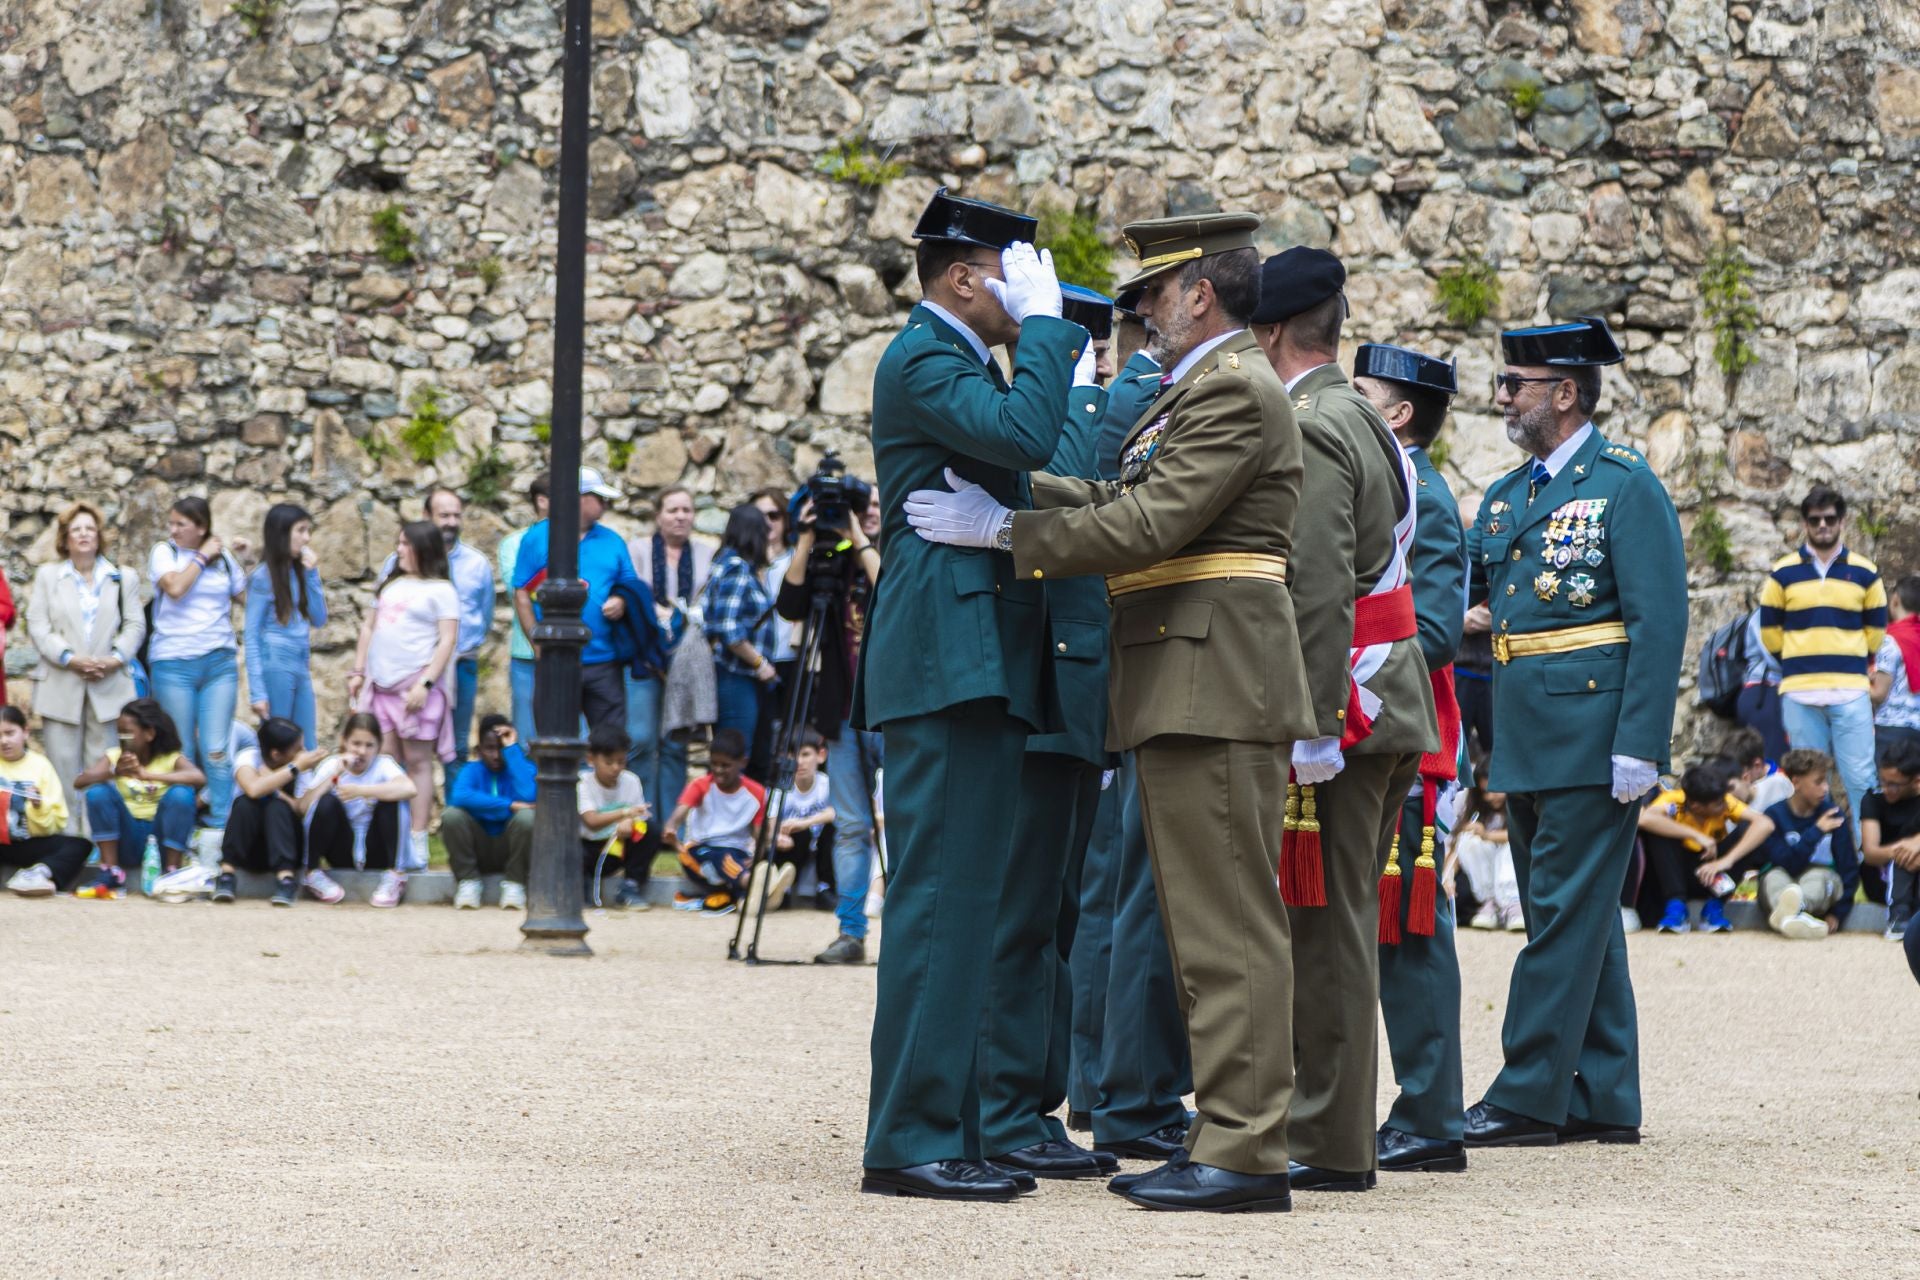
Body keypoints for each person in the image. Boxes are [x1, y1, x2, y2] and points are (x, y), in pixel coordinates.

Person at [908, 210, 1317, 1212]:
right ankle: (1225, 1130)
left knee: (1228, 925)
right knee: (1201, 922)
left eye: (1150, 298)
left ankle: (1245, 1145)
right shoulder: (1199, 391)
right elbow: (1110, 491)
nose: (1138, 318)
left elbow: (1150, 521)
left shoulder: (1230, 392)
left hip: (1215, 675)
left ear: (1199, 295)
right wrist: (1009, 488)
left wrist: (1004, 526)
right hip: (1189, 673)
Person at [858, 188, 1086, 1205]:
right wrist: (1049, 326)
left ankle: (943, 1122)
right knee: (940, 900)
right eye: (1015, 270)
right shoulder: (924, 357)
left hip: (976, 651)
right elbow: (1033, 433)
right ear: (964, 277)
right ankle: (909, 1136)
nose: (1029, 290)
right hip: (947, 655)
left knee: (970, 900)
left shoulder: (960, 356)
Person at [1459, 315, 1687, 1151]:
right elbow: (1498, 606)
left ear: (1565, 392)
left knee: (1555, 914)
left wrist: (1641, 743)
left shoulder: (1624, 484)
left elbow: (1659, 621)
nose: (1502, 395)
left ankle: (1526, 1095)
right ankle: (1603, 1094)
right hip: (1524, 730)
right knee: (1578, 916)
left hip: (1594, 733)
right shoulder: (1509, 493)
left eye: (1515, 383)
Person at [1247, 248, 1436, 1193]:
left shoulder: (1316, 422)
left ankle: (1325, 1138)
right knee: (1337, 921)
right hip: (1383, 686)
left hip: (1349, 700)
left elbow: (1318, 585)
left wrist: (1314, 718)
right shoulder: (1360, 413)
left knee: (1323, 929)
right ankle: (1329, 1129)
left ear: (1272, 332)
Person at [978, 282, 1124, 1183]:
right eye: (1089, 348)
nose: (1102, 363)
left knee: (1060, 916)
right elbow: (1058, 493)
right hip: (1046, 692)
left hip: (1082, 696)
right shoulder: (1045, 415)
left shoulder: (1097, 411)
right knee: (1025, 913)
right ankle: (1004, 1104)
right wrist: (1066, 386)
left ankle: (1035, 1098)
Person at [1067, 298, 1194, 1171]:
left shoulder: (1123, 399)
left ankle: (1096, 1077)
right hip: (1134, 664)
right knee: (1132, 899)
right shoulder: (1139, 401)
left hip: (1110, 666)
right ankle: (1128, 1086)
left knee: (1107, 894)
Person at [1351, 339, 1470, 1177]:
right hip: (1364, 729)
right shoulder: (1379, 481)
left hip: (1398, 736)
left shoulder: (1422, 493)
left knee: (1410, 934)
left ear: (1397, 414)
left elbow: (1431, 632)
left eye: (1361, 391)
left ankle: (1431, 1115)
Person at [774, 482, 882, 965]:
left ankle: (907, 934)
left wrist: (858, 537)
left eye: (876, 505)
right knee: (853, 827)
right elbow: (790, 606)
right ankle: (851, 932)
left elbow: (891, 592)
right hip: (843, 713)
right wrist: (806, 536)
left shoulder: (904, 546)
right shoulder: (831, 559)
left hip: (895, 712)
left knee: (903, 827)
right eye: (864, 507)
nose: (868, 513)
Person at [1759, 485, 1886, 837]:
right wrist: (1799, 663)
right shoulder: (1782, 574)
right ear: (1805, 524)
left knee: (1860, 777)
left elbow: (1876, 630)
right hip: (1800, 693)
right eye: (1815, 520)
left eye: (1830, 519)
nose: (1823, 526)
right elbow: (1769, 631)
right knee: (1807, 784)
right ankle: (1818, 858)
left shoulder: (1865, 572)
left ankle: (1868, 861)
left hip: (1851, 691)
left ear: (1842, 521)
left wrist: (1849, 661)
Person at [26, 501, 145, 834]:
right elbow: (38, 624)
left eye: (89, 529)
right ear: (65, 537)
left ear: (99, 536)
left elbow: (135, 624)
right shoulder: (49, 576)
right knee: (62, 768)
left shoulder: (123, 577)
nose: (83, 535)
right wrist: (69, 657)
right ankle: (67, 841)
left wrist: (115, 658)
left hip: (108, 685)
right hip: (62, 682)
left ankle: (98, 843)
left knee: (103, 766)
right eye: (76, 529)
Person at [350, 522, 458, 877]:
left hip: (414, 687)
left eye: (404, 544)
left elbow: (446, 640)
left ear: (422, 549)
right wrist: (358, 671)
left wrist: (425, 684)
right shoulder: (391, 584)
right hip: (381, 686)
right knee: (385, 762)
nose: (398, 550)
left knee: (418, 763)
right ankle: (380, 839)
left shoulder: (442, 590)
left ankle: (417, 837)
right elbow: (369, 627)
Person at [513, 467, 645, 733]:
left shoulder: (612, 540)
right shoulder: (537, 537)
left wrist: (621, 599)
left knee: (609, 741)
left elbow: (630, 585)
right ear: (580, 498)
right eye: (600, 497)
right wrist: (537, 643)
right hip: (556, 660)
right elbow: (522, 593)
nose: (606, 504)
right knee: (554, 740)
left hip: (604, 661)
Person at [148, 495, 247, 833]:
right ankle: (182, 830)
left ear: (201, 527)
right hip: (173, 663)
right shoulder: (165, 553)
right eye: (171, 523)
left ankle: (221, 827)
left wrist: (244, 559)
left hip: (218, 661)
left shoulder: (225, 560)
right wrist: (203, 555)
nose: (172, 530)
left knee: (217, 747)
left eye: (181, 524)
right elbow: (175, 587)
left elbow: (249, 599)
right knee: (183, 750)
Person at [380, 488, 493, 775]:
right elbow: (381, 615)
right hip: (407, 669)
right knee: (401, 748)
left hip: (460, 663)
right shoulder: (396, 563)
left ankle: (453, 817)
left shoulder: (477, 564)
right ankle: (402, 817)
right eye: (444, 515)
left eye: (457, 515)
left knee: (456, 747)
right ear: (426, 516)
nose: (452, 522)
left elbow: (485, 613)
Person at [628, 484, 714, 859]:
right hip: (647, 656)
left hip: (689, 660)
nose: (680, 516)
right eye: (672, 509)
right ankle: (641, 822)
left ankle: (668, 827)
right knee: (643, 739)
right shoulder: (639, 551)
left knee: (676, 742)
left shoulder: (707, 553)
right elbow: (634, 594)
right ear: (658, 515)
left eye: (686, 510)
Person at [73, 698, 205, 898]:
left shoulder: (170, 758)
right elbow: (80, 782)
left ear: (149, 733)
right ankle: (111, 871)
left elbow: (198, 778)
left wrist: (148, 775)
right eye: (119, 732)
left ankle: (172, 871)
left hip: (159, 837)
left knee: (182, 794)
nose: (122, 737)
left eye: (128, 732)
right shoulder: (114, 755)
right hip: (128, 837)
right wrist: (114, 772)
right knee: (98, 792)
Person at [1637, 762, 1776, 934]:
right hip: (1676, 875)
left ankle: (1714, 908)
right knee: (1659, 831)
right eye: (1718, 804)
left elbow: (1765, 824)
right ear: (1696, 806)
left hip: (1712, 874)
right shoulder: (1675, 800)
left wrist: (1725, 861)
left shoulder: (1725, 800)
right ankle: (1676, 908)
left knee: (1749, 830)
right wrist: (1696, 835)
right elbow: (1644, 819)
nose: (1724, 807)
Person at [211, 716, 335, 907]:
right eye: (297, 749)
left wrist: (277, 790)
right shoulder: (249, 757)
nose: (303, 753)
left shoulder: (302, 767)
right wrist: (293, 769)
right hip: (250, 849)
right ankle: (227, 875)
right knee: (245, 803)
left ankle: (285, 880)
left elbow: (300, 808)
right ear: (276, 754)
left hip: (286, 849)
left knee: (277, 806)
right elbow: (253, 789)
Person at [298, 712, 418, 906]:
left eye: (369, 745)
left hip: (376, 849)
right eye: (356, 744)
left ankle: (395, 875)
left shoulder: (384, 765)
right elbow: (304, 807)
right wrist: (333, 777)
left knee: (393, 798)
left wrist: (362, 791)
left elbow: (410, 788)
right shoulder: (331, 765)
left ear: (378, 746)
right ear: (344, 742)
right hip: (342, 849)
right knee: (326, 801)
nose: (361, 751)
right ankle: (311, 873)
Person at [661, 727, 769, 917]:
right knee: (719, 857)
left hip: (737, 853)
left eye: (725, 765)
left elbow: (760, 834)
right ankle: (749, 884)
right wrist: (671, 828)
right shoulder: (700, 785)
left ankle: (739, 896)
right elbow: (680, 812)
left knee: (729, 857)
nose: (718, 771)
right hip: (701, 850)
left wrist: (757, 858)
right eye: (714, 764)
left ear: (742, 762)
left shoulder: (757, 793)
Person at [244, 504, 328, 748]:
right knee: (280, 742)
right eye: (301, 530)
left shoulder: (302, 571)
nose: (307, 538)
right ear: (282, 533)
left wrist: (312, 576)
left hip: (300, 661)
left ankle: (305, 787)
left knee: (307, 741)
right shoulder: (263, 576)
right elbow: (251, 634)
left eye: (308, 531)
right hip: (276, 662)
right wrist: (257, 692)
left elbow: (319, 618)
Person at [1758, 747, 1859, 940]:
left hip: (1818, 882)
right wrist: (1816, 832)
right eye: (1818, 782)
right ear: (1796, 782)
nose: (1825, 789)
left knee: (1819, 877)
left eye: (1825, 781)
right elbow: (1786, 863)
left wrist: (1838, 913)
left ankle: (1791, 912)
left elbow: (1849, 869)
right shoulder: (1774, 815)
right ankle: (1795, 918)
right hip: (1785, 877)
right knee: (1773, 877)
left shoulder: (1833, 815)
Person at [702, 504, 778, 761]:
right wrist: (759, 663)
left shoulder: (735, 565)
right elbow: (728, 627)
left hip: (741, 675)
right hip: (735, 673)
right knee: (735, 755)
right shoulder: (736, 567)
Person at [445, 715, 537, 911]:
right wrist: (509, 805)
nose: (496, 755)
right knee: (452, 816)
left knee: (527, 818)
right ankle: (468, 882)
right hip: (480, 847)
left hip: (511, 847)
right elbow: (460, 796)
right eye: (489, 748)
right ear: (479, 751)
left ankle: (515, 884)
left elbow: (529, 795)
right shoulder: (471, 770)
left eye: (500, 748)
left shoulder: (521, 767)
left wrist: (512, 751)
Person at [0, 706, 95, 897]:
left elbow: (55, 825)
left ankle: (39, 875)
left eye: (10, 733)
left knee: (80, 845)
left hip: (30, 841)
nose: (4, 741)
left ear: (25, 732)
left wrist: (38, 807)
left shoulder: (41, 765)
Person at [500, 472, 551, 743]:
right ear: (542, 501)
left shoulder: (583, 540)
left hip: (577, 656)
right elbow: (519, 589)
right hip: (526, 655)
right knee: (527, 738)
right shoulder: (514, 543)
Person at [577, 723, 649, 908]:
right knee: (573, 847)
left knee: (651, 831)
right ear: (591, 759)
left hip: (617, 849)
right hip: (588, 851)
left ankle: (630, 887)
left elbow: (640, 815)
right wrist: (625, 813)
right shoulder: (582, 782)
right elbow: (591, 821)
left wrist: (630, 821)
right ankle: (580, 892)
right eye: (608, 762)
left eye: (621, 761)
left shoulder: (631, 781)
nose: (616, 768)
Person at [1861, 737, 1920, 941]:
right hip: (1881, 875)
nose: (1886, 789)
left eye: (1894, 785)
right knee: (1902, 861)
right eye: (1883, 781)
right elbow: (1871, 853)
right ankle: (1898, 918)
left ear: (1916, 781)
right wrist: (1905, 848)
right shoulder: (1873, 800)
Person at [772, 727, 835, 897]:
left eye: (805, 754)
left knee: (832, 828)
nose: (799, 761)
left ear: (821, 755)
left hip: (822, 850)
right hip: (793, 848)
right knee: (799, 834)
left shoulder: (827, 784)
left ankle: (825, 887)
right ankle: (783, 890)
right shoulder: (780, 788)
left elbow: (836, 813)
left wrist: (804, 822)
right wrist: (778, 837)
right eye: (792, 755)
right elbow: (770, 823)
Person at [1452, 778, 1520, 930]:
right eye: (1485, 792)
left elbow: (1522, 836)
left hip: (1514, 883)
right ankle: (1489, 903)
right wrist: (1449, 877)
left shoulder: (1518, 809)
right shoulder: (1478, 812)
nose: (1491, 797)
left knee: (1511, 846)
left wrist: (1487, 835)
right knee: (1470, 841)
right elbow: (1455, 851)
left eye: (1495, 791)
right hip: (1486, 881)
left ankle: (1514, 905)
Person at [1870, 576, 1920, 758]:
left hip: (1892, 728)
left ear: (1895, 599)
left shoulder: (1890, 640)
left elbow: (1878, 693)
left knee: (1889, 785)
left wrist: (1853, 683)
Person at [1736, 606, 1789, 762]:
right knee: (1772, 763)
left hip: (1778, 693)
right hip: (1765, 693)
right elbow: (1775, 657)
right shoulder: (1766, 613)